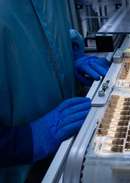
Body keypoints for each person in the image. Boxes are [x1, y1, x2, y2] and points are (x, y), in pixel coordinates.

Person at [0, 1, 110, 182]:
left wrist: (73, 57)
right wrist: (24, 141)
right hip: (19, 170)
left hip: (68, 142)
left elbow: (53, 30)